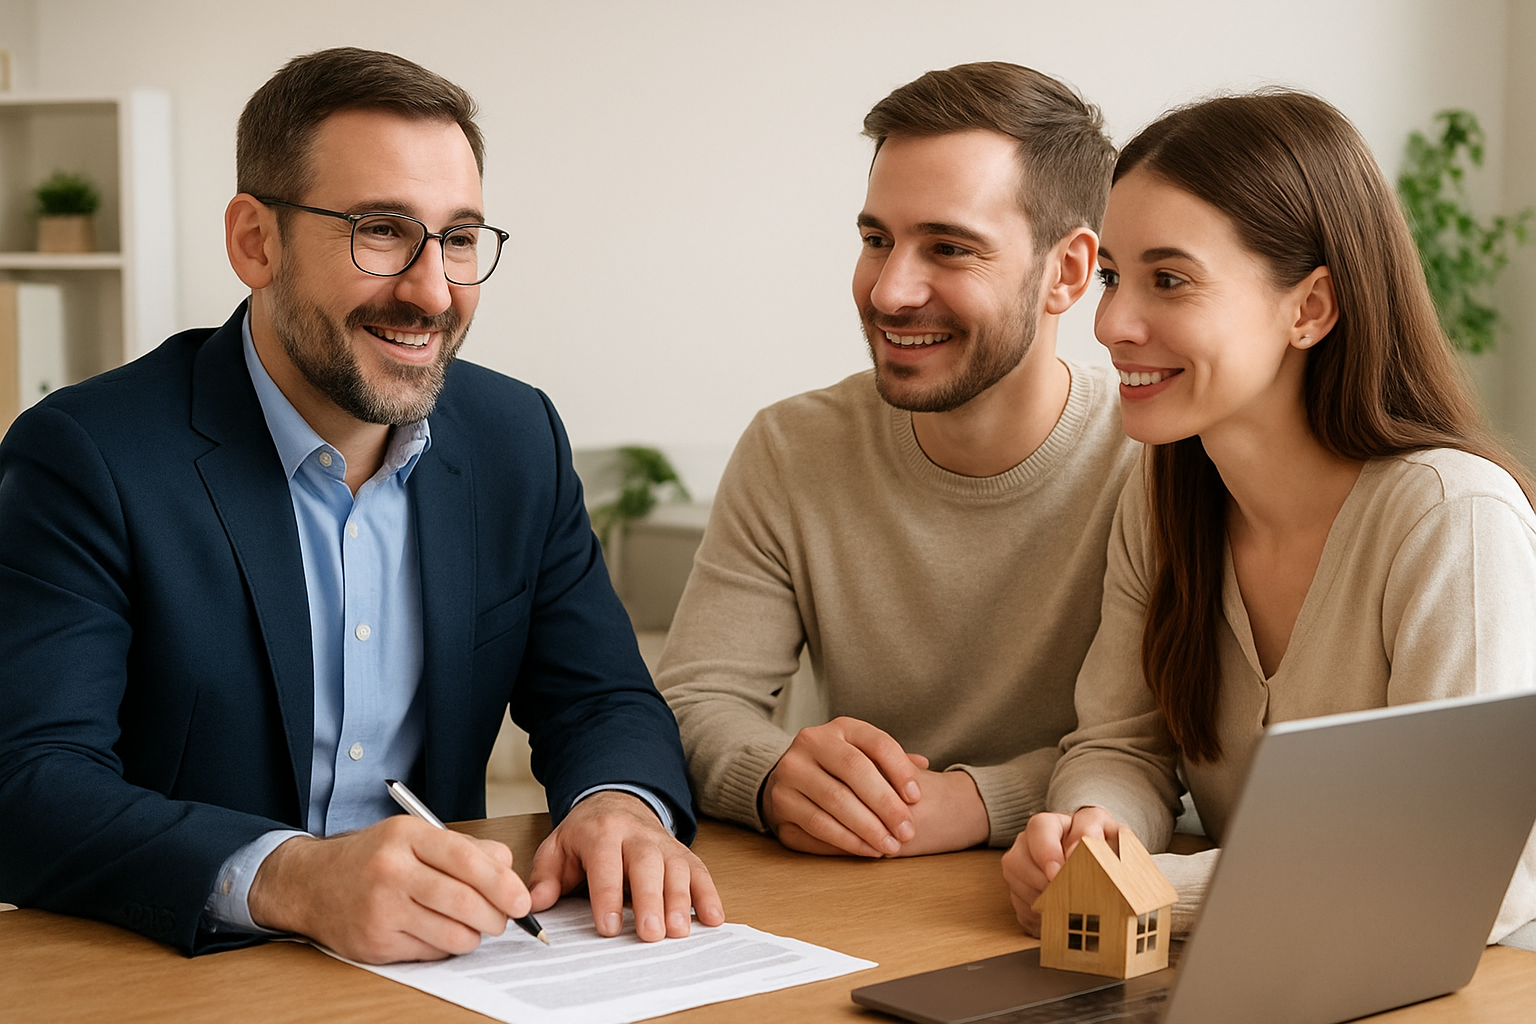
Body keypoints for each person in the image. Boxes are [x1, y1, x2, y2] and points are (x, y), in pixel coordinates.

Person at [0, 47, 723, 963]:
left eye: (460, 239)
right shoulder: (88, 455)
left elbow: (601, 698)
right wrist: (292, 878)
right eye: (381, 230)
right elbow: (28, 784)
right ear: (254, 242)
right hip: (183, 975)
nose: (431, 292)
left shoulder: (515, 437)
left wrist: (618, 806)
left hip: (448, 972)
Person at [1001, 90, 1536, 944]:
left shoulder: (1450, 518)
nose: (1110, 323)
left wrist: (1150, 889)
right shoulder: (1163, 497)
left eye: (1168, 280)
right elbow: (1122, 745)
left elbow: (1476, 868)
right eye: (1113, 278)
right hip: (1255, 967)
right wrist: (1091, 835)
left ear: (1310, 308)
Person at [659, 63, 1137, 858]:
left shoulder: (1152, 461)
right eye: (877, 240)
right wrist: (773, 772)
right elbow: (693, 701)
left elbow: (1160, 747)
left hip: (1057, 893)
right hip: (846, 896)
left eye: (949, 248)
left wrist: (977, 804)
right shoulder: (791, 448)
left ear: (1069, 272)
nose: (888, 292)